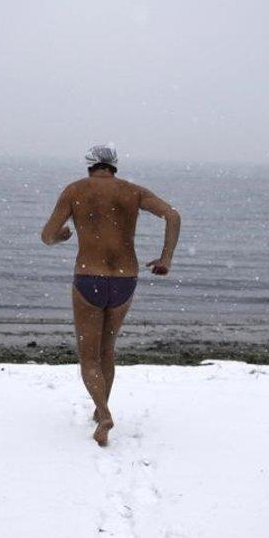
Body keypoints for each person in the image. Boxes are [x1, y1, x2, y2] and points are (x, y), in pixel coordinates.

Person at [40, 144, 181, 447]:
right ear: (114, 166)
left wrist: (63, 236)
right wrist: (165, 258)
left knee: (88, 355)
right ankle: (98, 407)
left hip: (89, 277)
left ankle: (103, 414)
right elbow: (172, 215)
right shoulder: (133, 191)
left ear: (90, 165)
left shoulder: (75, 190)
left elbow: (47, 236)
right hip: (124, 279)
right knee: (107, 350)